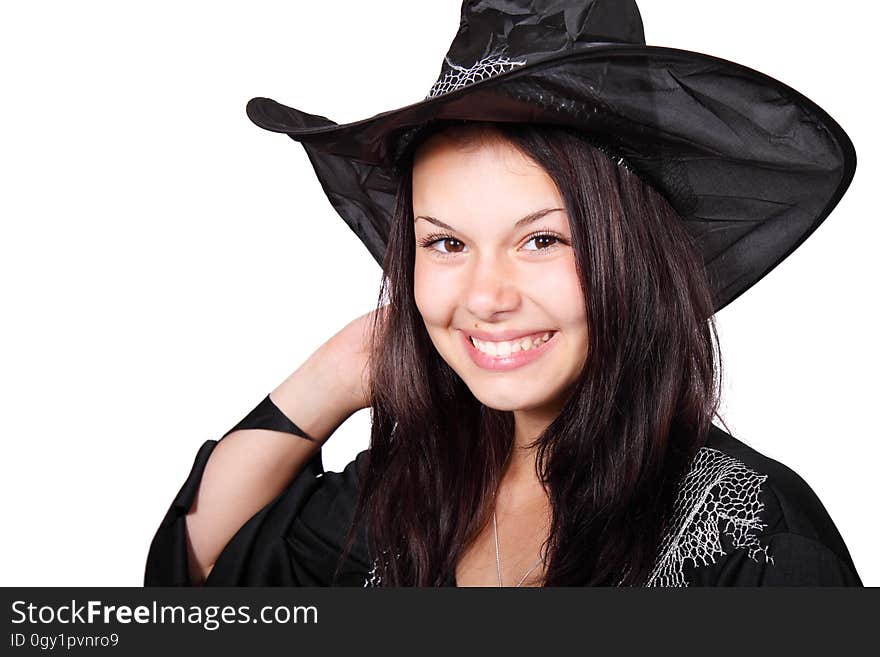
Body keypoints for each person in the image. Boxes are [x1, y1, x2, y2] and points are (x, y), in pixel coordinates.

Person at [144, 0, 862, 587]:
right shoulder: (416, 489)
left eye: (541, 240)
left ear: (630, 256)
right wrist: (340, 368)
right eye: (446, 243)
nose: (486, 296)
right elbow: (202, 573)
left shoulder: (755, 538)